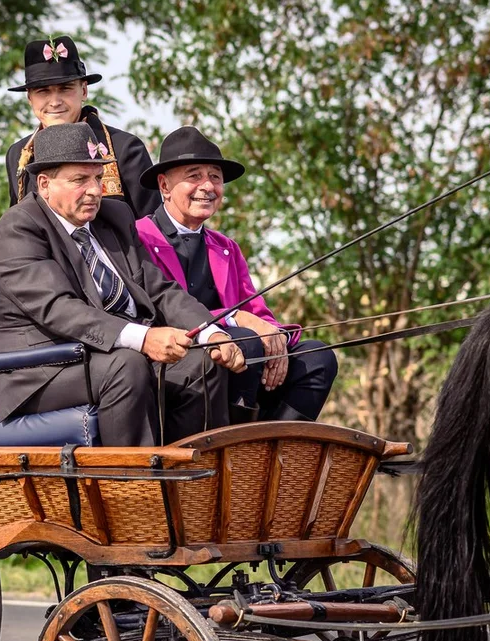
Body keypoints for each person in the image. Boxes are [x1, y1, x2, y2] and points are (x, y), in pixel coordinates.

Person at [0, 123, 246, 446]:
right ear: (45, 184)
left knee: (202, 362)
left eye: (98, 177)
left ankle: (191, 482)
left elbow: (160, 289)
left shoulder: (114, 218)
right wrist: (144, 338)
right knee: (127, 365)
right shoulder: (19, 228)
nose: (95, 190)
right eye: (80, 180)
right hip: (43, 368)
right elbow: (59, 309)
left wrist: (211, 332)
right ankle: (133, 488)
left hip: (108, 357)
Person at [135, 126, 338, 422]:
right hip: (178, 363)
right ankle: (235, 449)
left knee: (318, 357)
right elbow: (154, 313)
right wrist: (235, 318)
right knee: (245, 338)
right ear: (164, 186)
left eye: (215, 177)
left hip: (246, 361)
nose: (207, 186)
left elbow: (257, 311)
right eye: (194, 176)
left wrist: (277, 339)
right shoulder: (139, 238)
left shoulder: (225, 247)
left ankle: (276, 447)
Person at [5, 35, 159, 218]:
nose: (55, 102)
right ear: (30, 98)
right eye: (43, 91)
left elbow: (152, 231)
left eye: (65, 88)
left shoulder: (124, 148)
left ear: (84, 90)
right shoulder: (18, 155)